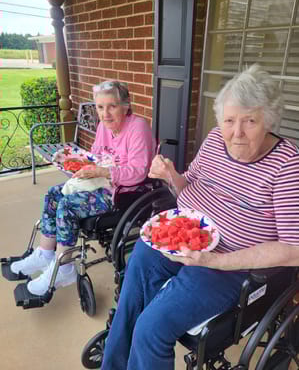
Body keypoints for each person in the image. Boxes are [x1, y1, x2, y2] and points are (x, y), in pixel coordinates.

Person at [100, 64, 299, 370]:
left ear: (269, 120)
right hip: (181, 235)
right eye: (229, 120)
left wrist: (214, 261)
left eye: (250, 121)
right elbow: (189, 184)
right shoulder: (216, 139)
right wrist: (171, 175)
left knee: (152, 328)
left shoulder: (287, 166)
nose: (236, 133)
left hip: (228, 264)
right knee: (131, 295)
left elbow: (293, 249)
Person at [11, 80, 155, 296]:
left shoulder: (138, 127)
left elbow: (138, 172)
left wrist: (102, 172)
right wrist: (71, 159)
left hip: (121, 192)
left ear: (125, 106)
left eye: (112, 106)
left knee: (67, 205)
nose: (105, 114)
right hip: (96, 183)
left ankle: (65, 268)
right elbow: (94, 158)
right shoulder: (103, 127)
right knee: (53, 194)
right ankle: (45, 254)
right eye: (100, 107)